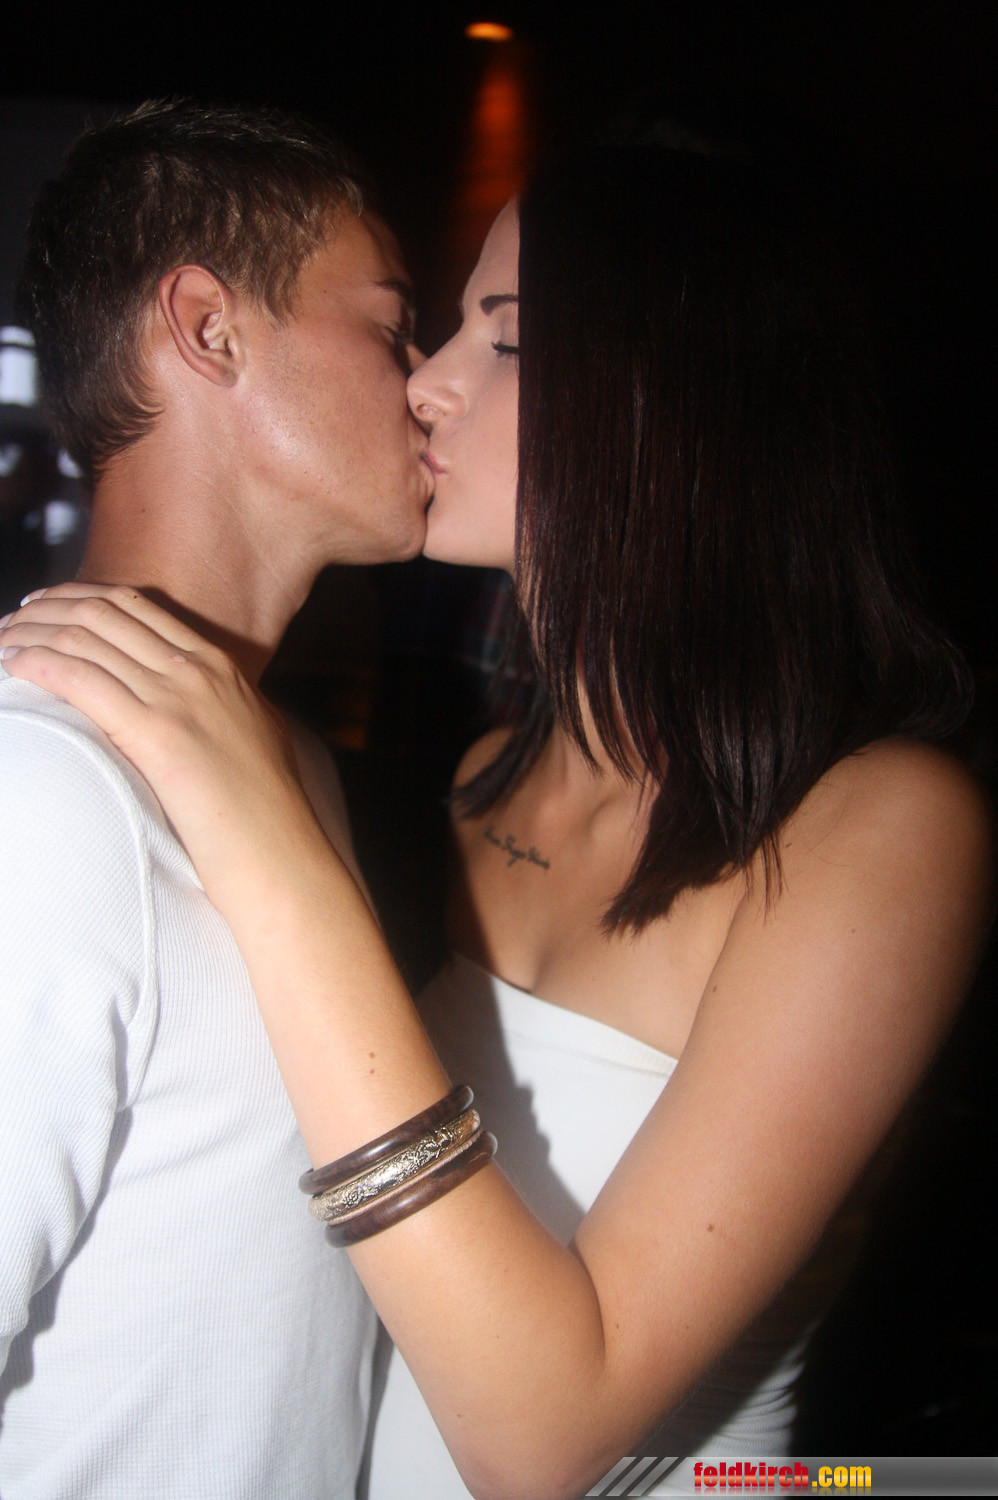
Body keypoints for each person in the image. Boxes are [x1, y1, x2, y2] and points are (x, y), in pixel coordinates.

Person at [1, 147, 991, 1500]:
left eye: (503, 337)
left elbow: (541, 1441)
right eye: (424, 326)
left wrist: (266, 828)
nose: (429, 382)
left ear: (677, 399)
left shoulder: (882, 828)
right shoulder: (467, 791)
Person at [0, 99, 432, 1498]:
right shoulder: (41, 789)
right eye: (391, 327)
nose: (428, 384)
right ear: (209, 329)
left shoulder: (287, 763)